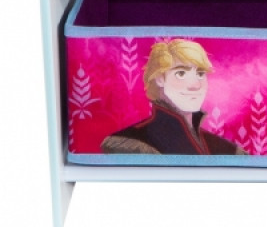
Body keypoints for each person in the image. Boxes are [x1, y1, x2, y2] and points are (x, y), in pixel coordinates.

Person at [101, 39, 245, 155]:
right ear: (160, 79)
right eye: (181, 73)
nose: (195, 85)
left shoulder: (228, 150)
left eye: (200, 74)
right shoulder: (130, 143)